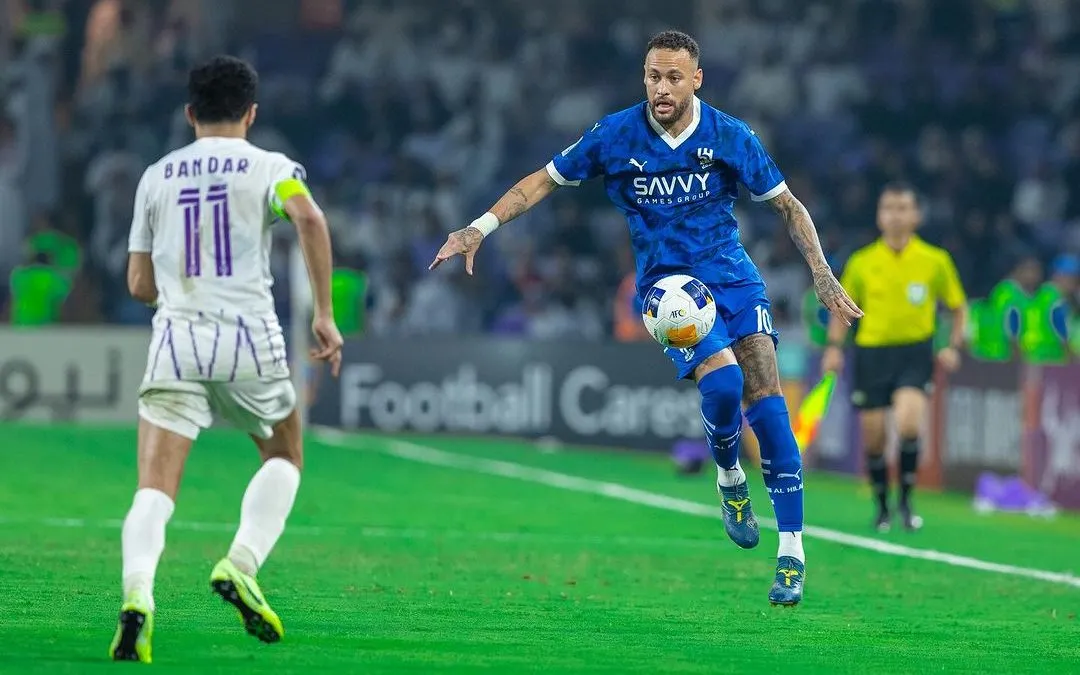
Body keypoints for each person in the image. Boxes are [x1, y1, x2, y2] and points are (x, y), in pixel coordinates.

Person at [430, 30, 862, 606]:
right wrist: (476, 228)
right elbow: (541, 183)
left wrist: (822, 272)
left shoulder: (730, 136)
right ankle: (731, 475)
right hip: (668, 288)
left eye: (674, 78)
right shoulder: (615, 135)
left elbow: (787, 204)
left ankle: (791, 554)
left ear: (697, 78)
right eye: (654, 77)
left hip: (732, 275)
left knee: (768, 396)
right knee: (726, 382)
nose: (661, 88)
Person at [110, 56, 344, 663]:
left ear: (189, 113)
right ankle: (240, 563)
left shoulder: (156, 177)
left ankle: (138, 596)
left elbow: (138, 281)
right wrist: (323, 313)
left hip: (176, 341)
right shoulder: (274, 169)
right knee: (286, 452)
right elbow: (309, 218)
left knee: (154, 490)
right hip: (249, 340)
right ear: (252, 113)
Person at [822, 183, 967, 532]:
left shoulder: (935, 260)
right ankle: (881, 506)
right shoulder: (862, 261)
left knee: (908, 425)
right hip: (871, 354)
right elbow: (841, 309)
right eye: (889, 208)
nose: (896, 215)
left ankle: (905, 502)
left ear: (916, 215)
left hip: (914, 354)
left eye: (903, 208)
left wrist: (952, 346)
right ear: (879, 215)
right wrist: (833, 349)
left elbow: (958, 307)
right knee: (874, 438)